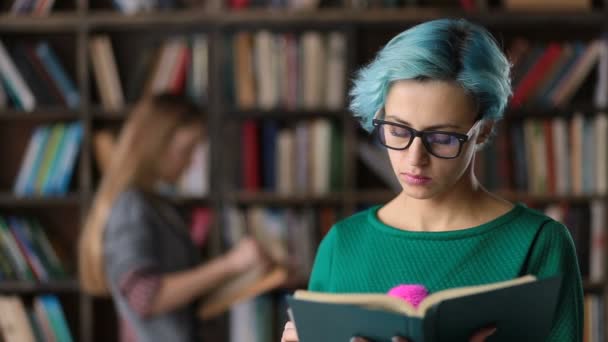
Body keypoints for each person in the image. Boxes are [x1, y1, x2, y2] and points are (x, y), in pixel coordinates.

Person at [281, 18, 583, 342]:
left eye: (441, 138)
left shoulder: (539, 243)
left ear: (484, 128)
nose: (414, 159)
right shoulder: (342, 245)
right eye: (397, 131)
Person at [78, 94, 264, 342]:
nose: (191, 162)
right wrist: (231, 263)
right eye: (186, 149)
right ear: (157, 143)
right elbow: (145, 297)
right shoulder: (132, 207)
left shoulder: (157, 205)